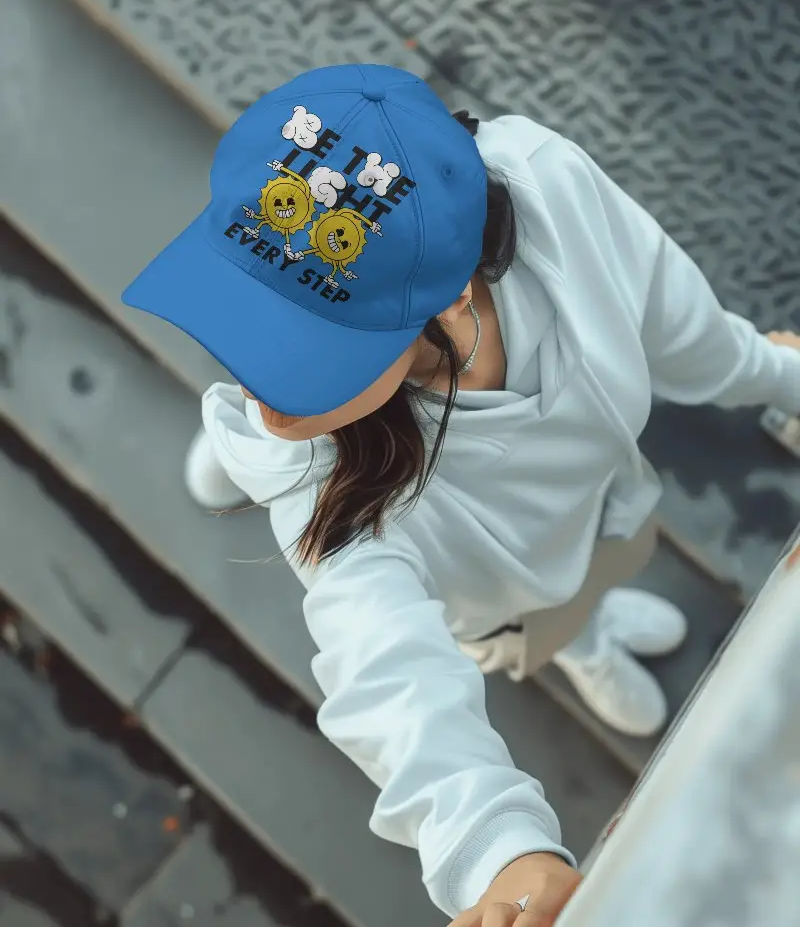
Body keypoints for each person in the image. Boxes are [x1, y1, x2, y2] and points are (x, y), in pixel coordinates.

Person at [122, 64, 800, 927]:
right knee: (291, 462)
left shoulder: (549, 185)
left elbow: (675, 315)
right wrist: (492, 845)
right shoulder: (321, 478)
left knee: (577, 584)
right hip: (498, 594)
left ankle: (583, 632)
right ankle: (575, 641)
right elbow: (385, 665)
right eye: (244, 307)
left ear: (447, 297)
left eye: (309, 349)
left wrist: (776, 370)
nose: (264, 389)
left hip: (584, 521)